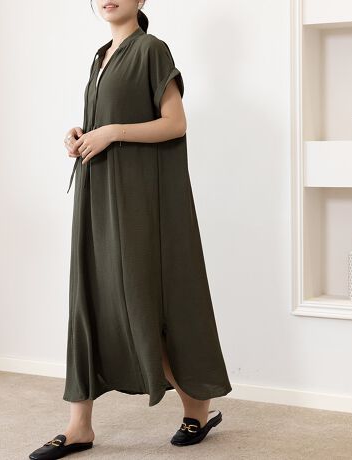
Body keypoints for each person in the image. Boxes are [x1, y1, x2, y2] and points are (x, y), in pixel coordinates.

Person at [29, 1, 232, 458]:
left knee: (145, 297)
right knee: (89, 296)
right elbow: (106, 122)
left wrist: (112, 132)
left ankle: (197, 409)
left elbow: (174, 123)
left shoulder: (151, 49)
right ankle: (79, 425)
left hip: (137, 197)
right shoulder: (100, 57)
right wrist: (81, 135)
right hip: (97, 192)